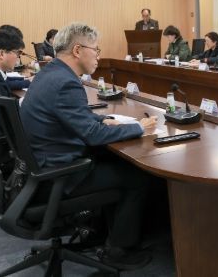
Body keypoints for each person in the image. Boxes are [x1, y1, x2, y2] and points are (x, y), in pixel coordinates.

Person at [20, 23, 158, 270]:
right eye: (95, 50)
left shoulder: (50, 73)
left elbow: (71, 114)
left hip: (40, 169)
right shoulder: (66, 83)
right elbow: (93, 136)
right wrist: (139, 127)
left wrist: (101, 119)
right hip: (59, 176)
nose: (98, 56)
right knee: (137, 177)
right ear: (77, 50)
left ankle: (98, 232)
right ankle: (119, 250)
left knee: (112, 160)